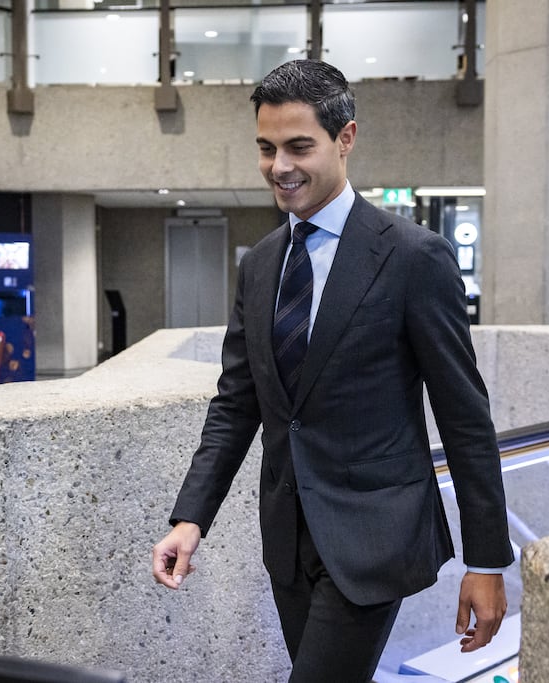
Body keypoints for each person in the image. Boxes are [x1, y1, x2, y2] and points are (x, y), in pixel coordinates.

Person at [152, 59, 514, 682]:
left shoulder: (412, 257)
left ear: (345, 138)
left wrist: (485, 561)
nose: (279, 167)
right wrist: (192, 518)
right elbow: (238, 402)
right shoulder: (261, 264)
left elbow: (464, 413)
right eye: (266, 149)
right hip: (289, 538)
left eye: (299, 146)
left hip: (376, 537)